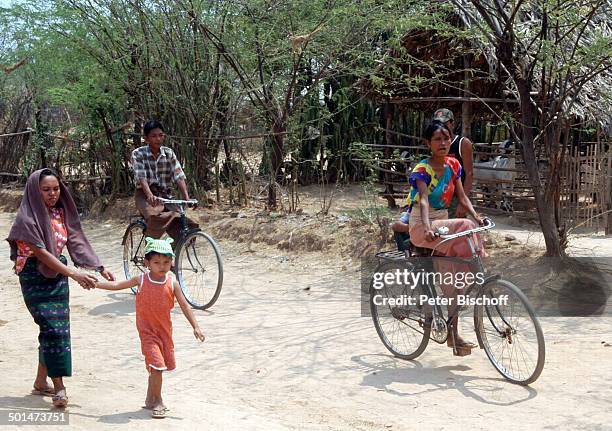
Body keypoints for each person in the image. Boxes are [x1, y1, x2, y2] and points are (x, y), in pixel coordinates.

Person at [7, 168, 115, 408]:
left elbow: (76, 239)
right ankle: (60, 387)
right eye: (46, 190)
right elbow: (41, 253)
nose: (52, 194)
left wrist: (98, 267)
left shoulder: (59, 213)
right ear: (35, 191)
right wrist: (75, 274)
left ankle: (39, 382)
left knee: (54, 329)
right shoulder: (27, 219)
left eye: (55, 189)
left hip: (58, 276)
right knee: (53, 329)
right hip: (34, 276)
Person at [94, 237, 205, 419]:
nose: (162, 266)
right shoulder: (141, 280)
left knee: (155, 367)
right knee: (158, 365)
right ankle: (159, 400)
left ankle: (149, 399)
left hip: (164, 332)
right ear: (147, 263)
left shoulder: (172, 283)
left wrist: (196, 327)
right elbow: (116, 285)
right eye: (157, 262)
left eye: (166, 262)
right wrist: (95, 284)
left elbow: (184, 306)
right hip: (147, 332)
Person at [406, 121, 485, 353]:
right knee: (463, 225)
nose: (443, 143)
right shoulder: (422, 169)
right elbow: (422, 200)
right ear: (427, 144)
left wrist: (476, 215)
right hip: (424, 226)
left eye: (446, 138)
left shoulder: (453, 165)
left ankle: (453, 336)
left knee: (454, 286)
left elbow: (462, 197)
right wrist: (428, 226)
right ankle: (477, 266)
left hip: (442, 228)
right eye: (437, 139)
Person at [132, 120, 199, 241]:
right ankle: (150, 251)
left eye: (160, 135)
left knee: (187, 224)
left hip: (164, 195)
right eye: (153, 136)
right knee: (155, 218)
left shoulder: (169, 153)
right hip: (145, 195)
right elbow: (141, 177)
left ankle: (170, 255)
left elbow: (178, 175)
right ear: (146, 139)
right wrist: (150, 196)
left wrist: (186, 198)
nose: (158, 139)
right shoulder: (138, 154)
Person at [432, 108, 474, 218]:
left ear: (452, 124)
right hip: (438, 198)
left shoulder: (462, 143)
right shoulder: (435, 144)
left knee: (455, 232)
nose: (441, 127)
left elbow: (469, 174)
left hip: (456, 198)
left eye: (445, 123)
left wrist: (463, 203)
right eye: (438, 124)